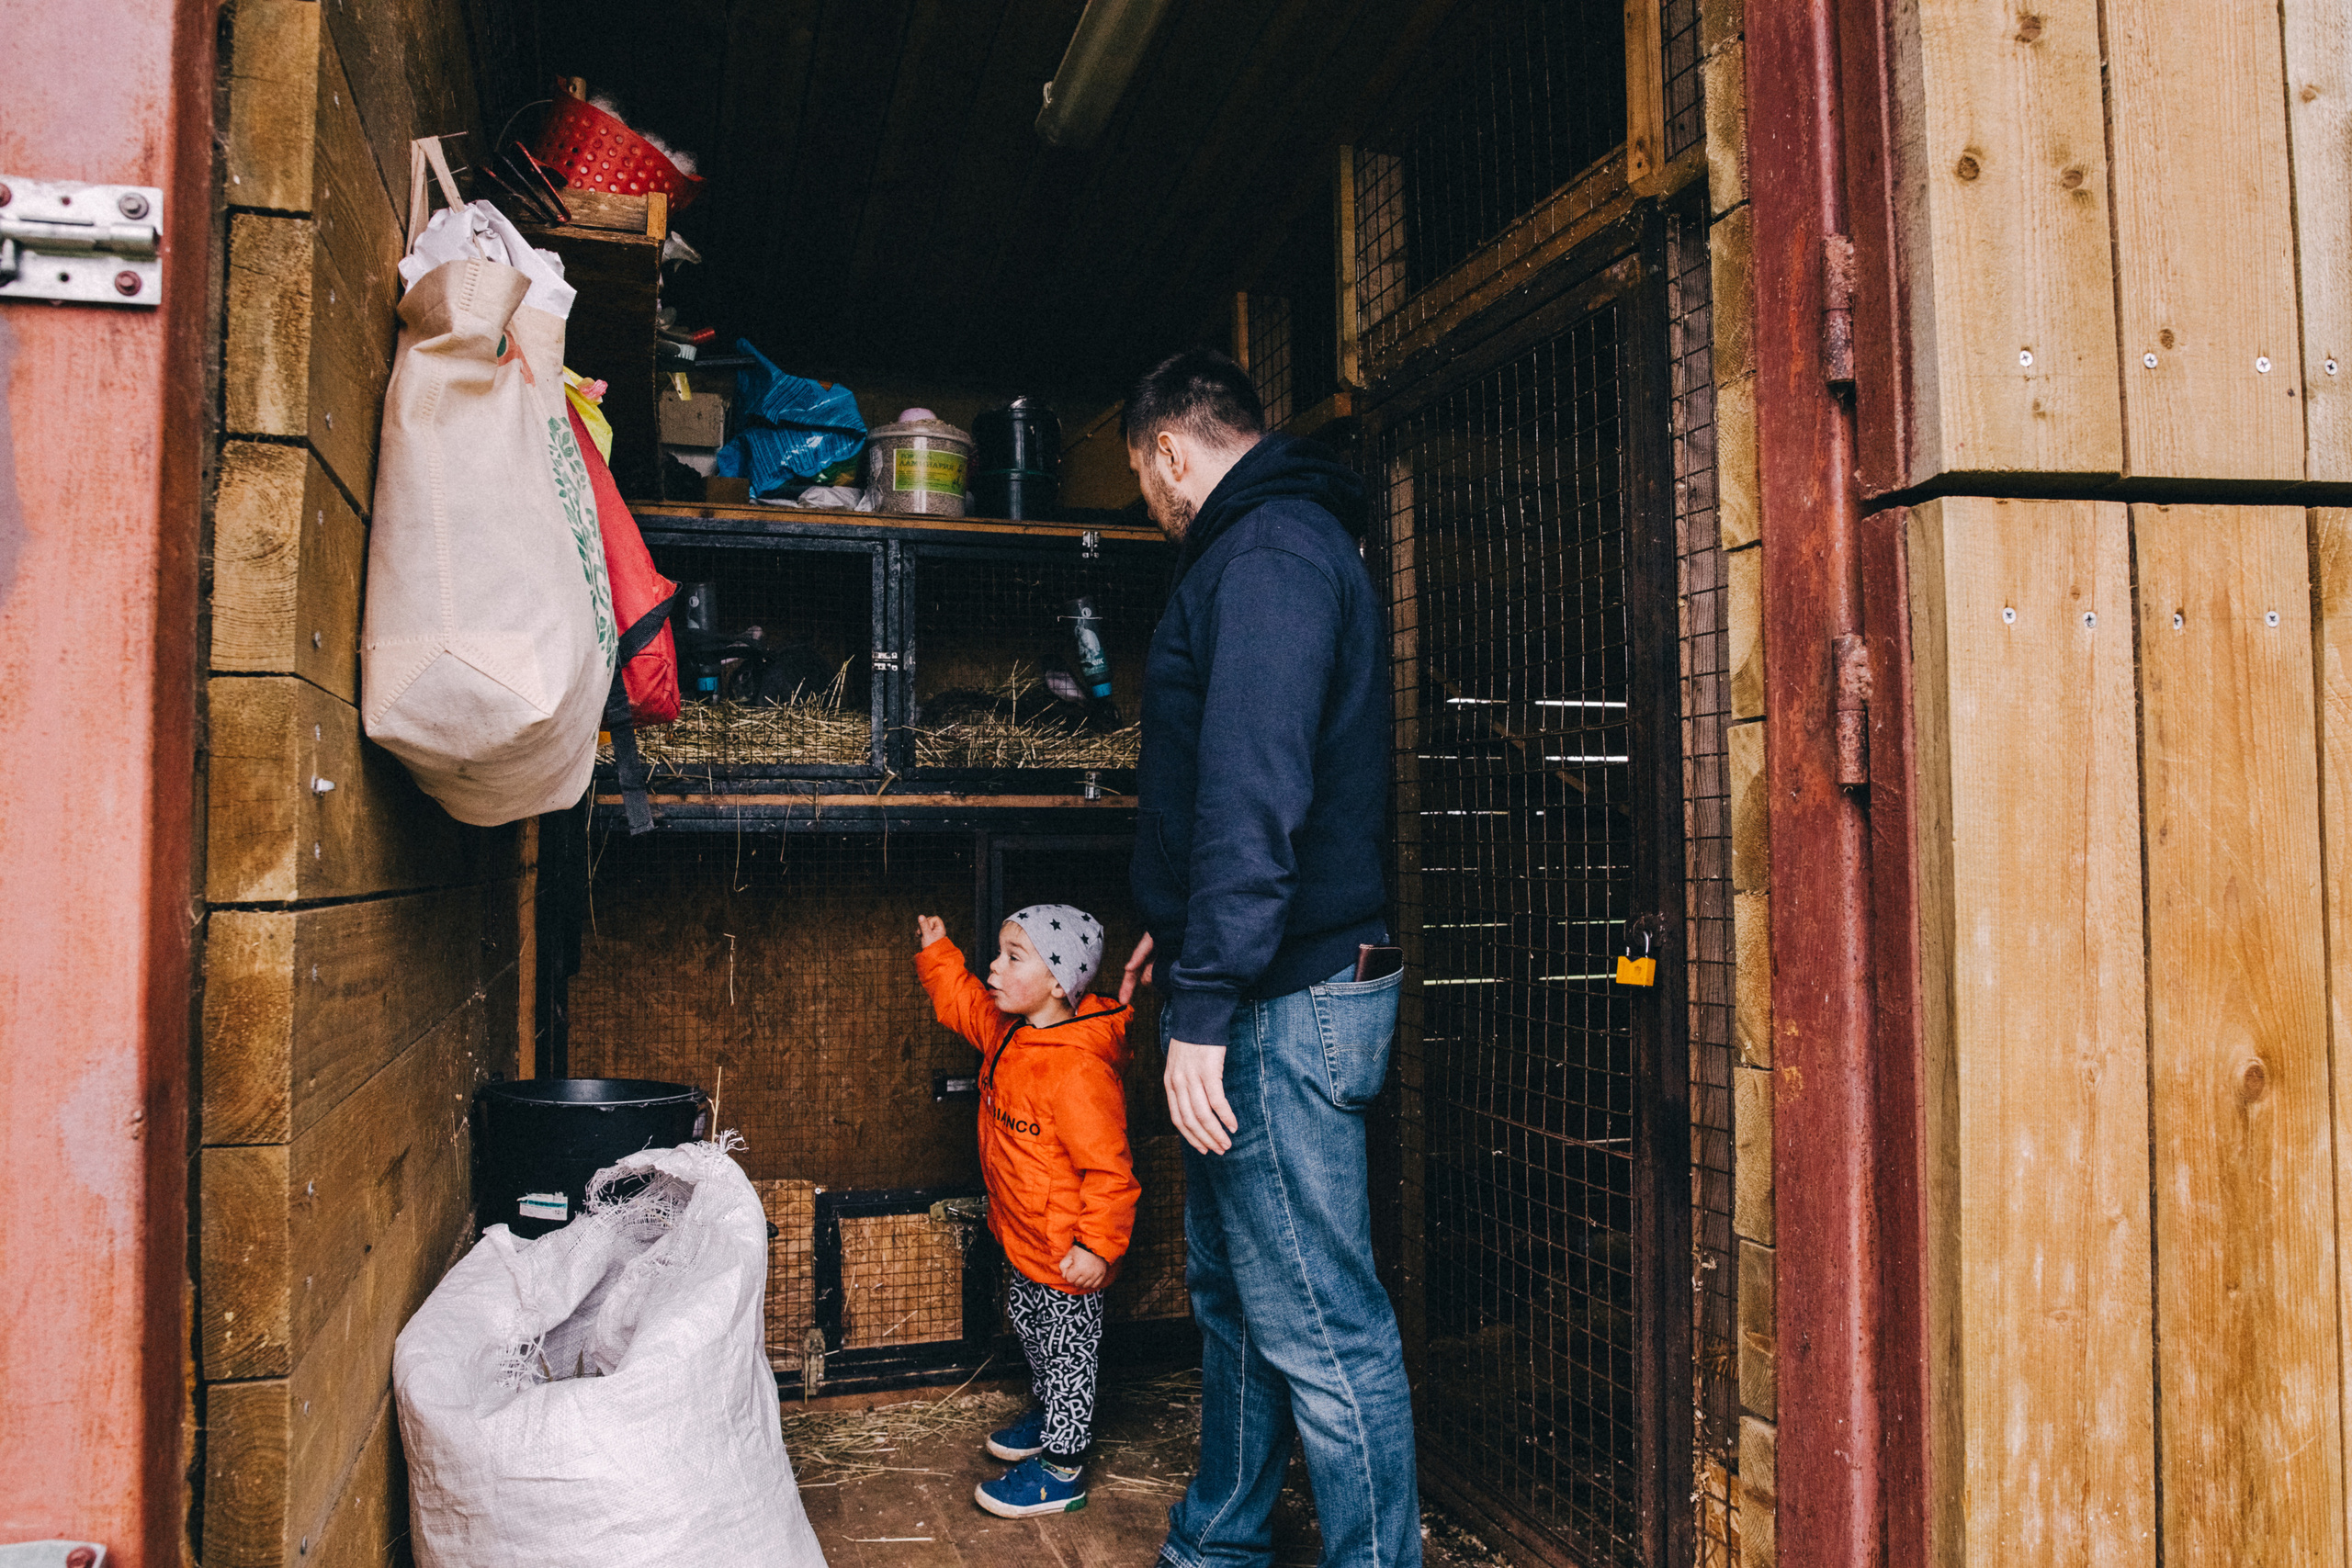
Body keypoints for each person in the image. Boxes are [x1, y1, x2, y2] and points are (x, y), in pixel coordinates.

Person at [1114, 348, 1418, 1568]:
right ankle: (1222, 1534)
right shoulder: (1271, 549)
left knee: (1324, 1322)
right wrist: (1177, 929)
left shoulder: (1272, 552)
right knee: (1239, 1292)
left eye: (1141, 476)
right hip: (1260, 971)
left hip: (1284, 996)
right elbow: (1235, 795)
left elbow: (1255, 786)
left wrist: (1204, 998)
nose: (1148, 499)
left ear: (1172, 453)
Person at [913, 904, 1138, 1518]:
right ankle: (1048, 1415)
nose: (995, 963)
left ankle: (1063, 1469)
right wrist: (938, 950)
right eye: (1000, 951)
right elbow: (961, 1001)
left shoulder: (1079, 1070)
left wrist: (1096, 1247)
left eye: (1015, 956)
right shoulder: (1012, 1029)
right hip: (1022, 1238)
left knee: (1068, 1354)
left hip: (1068, 1253)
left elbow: (1111, 1171)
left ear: (1060, 982)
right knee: (1034, 1331)